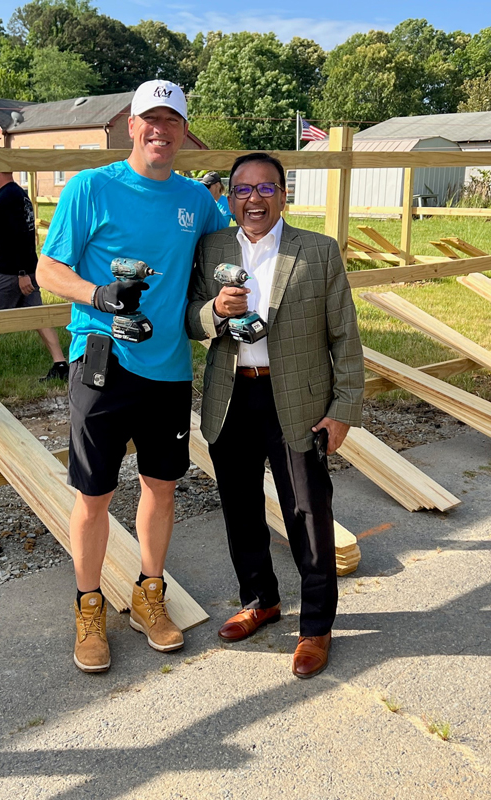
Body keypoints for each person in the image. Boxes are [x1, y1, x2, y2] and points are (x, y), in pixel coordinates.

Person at [36, 79, 227, 673]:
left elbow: (236, 248)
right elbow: (47, 269)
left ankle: (150, 596)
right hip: (102, 362)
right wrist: (101, 294)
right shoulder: (91, 188)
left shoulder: (197, 201)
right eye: (150, 118)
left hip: (167, 368)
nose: (159, 130)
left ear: (183, 132)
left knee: (161, 487)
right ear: (130, 123)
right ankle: (88, 607)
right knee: (94, 494)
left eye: (171, 121)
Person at [186, 152, 364, 679]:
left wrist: (343, 410)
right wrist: (216, 312)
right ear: (230, 197)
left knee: (307, 515)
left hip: (300, 403)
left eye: (266, 189)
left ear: (284, 195)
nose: (254, 199)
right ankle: (260, 600)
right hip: (231, 397)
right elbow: (191, 323)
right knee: (240, 509)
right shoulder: (212, 248)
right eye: (242, 190)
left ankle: (315, 627)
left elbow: (345, 338)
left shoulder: (318, 251)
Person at [0, 171, 69, 381]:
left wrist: (21, 273)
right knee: (39, 316)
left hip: (12, 274)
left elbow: (20, 236)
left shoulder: (7, 197)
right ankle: (61, 365)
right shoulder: (19, 194)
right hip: (27, 269)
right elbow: (20, 234)